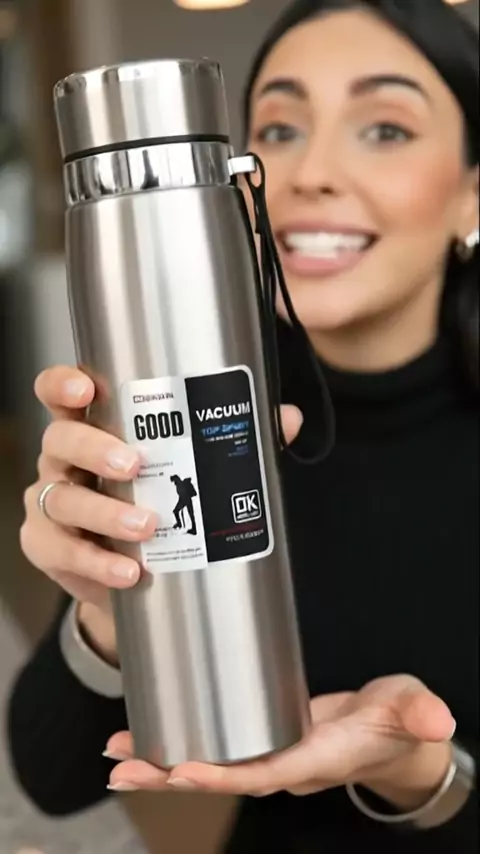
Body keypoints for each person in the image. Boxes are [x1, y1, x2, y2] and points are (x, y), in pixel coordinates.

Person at [8, 1, 479, 852]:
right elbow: (51, 780)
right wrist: (108, 614)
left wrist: (423, 774)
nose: (312, 173)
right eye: (281, 130)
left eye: (384, 129)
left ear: (473, 190)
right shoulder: (205, 426)